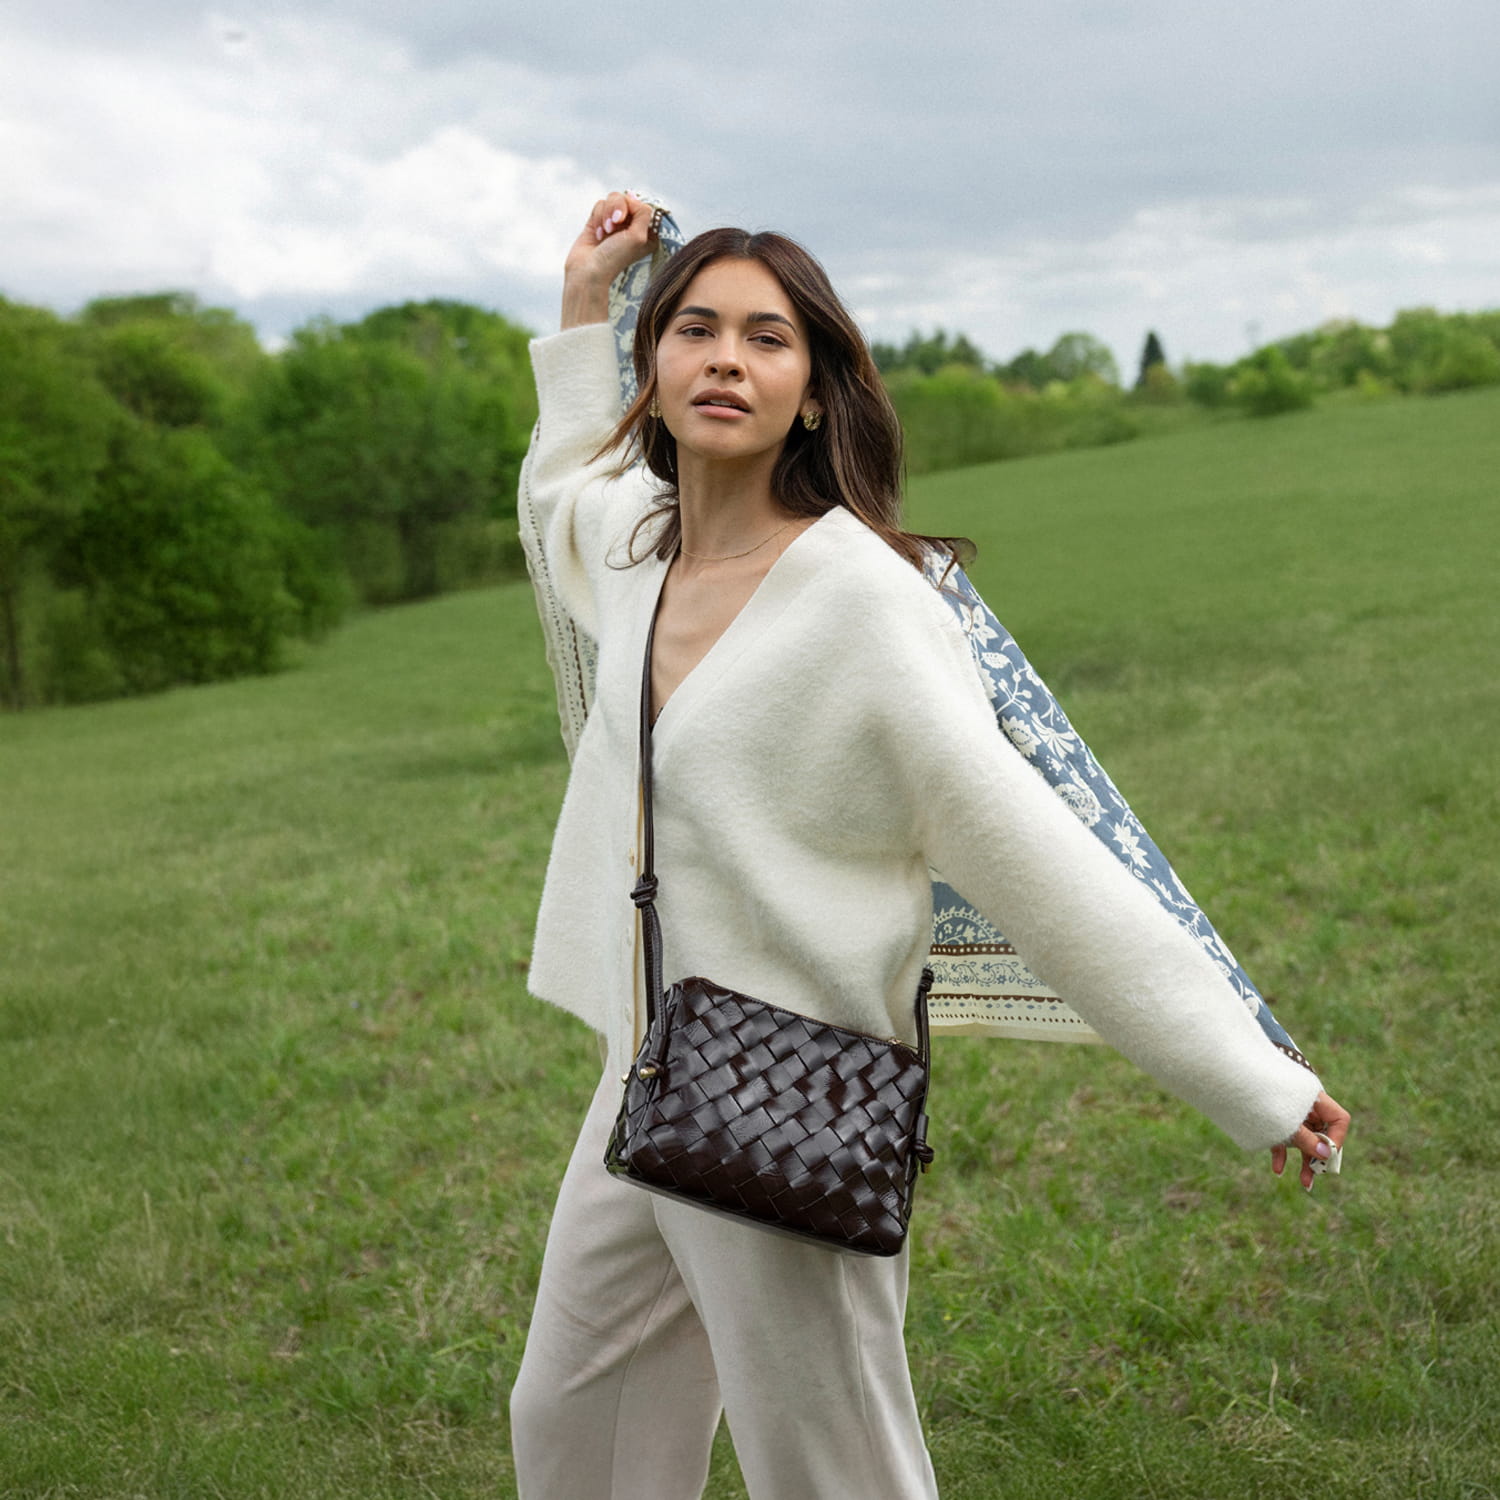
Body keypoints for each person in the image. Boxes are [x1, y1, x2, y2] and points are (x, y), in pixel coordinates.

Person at [508, 191, 1351, 1500]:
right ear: (656, 370)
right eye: (697, 331)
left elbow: (1035, 859)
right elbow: (567, 482)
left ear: (812, 395)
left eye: (768, 339)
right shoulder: (637, 548)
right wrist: (582, 302)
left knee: (836, 1468)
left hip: (787, 1091)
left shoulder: (866, 603)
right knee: (573, 1416)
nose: (727, 358)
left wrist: (1251, 1077)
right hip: (650, 1070)